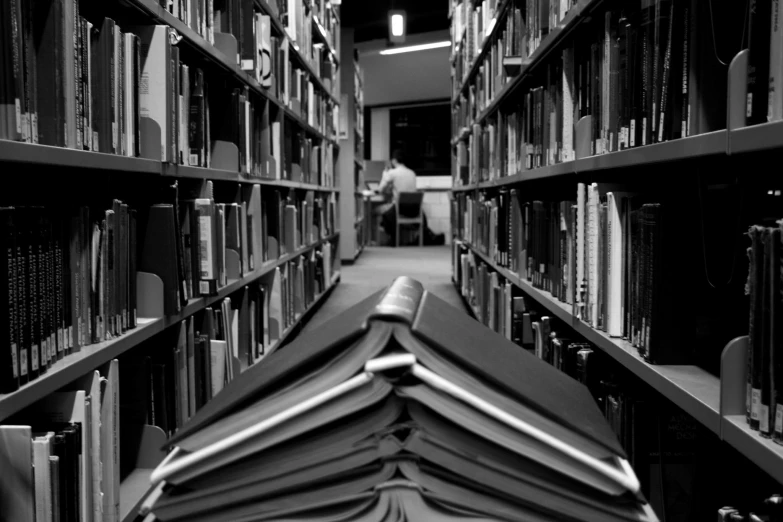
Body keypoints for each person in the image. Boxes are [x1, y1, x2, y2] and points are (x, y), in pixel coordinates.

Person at [375, 149, 444, 246]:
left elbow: (380, 189)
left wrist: (384, 175)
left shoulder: (392, 173)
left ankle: (392, 239)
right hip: (414, 210)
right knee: (391, 210)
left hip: (400, 209)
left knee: (381, 212)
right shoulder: (412, 173)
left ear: (394, 161)